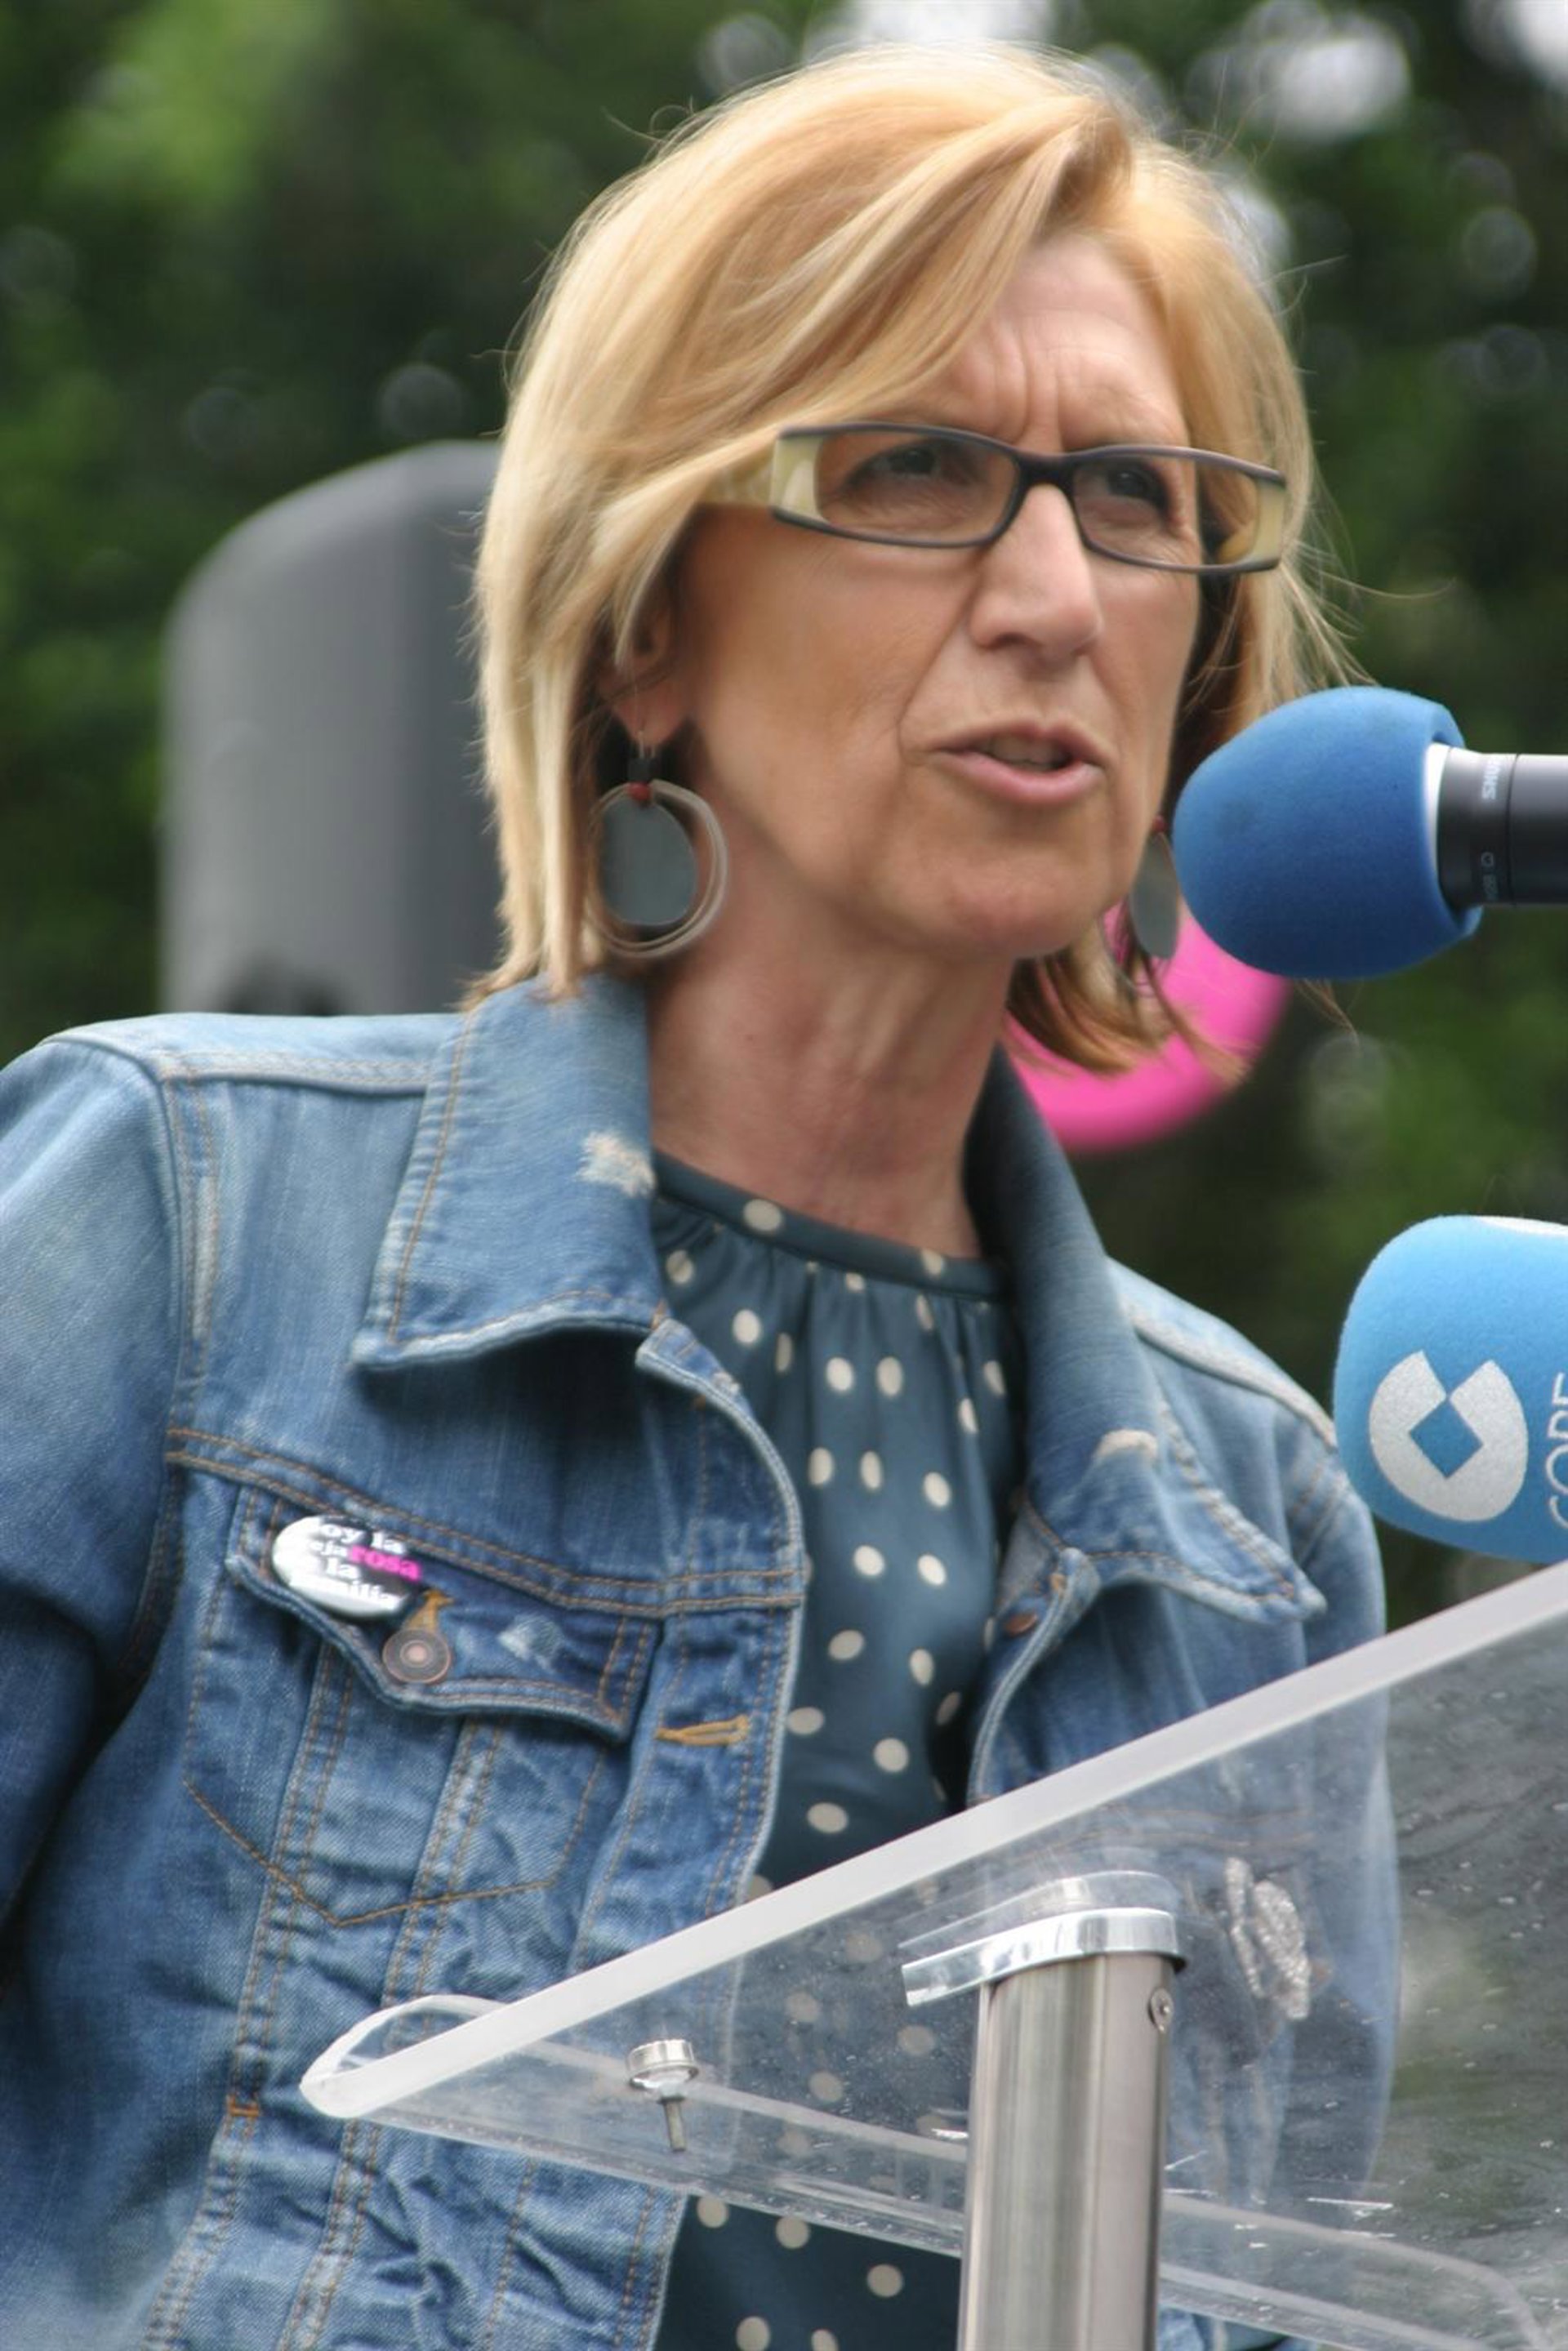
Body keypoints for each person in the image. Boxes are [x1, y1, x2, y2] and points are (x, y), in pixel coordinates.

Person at [0, 42, 1393, 2351]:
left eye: (1141, 498)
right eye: (919, 468)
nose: (1057, 592)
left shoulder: (1263, 1528)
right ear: (650, 616)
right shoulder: (178, 1218)